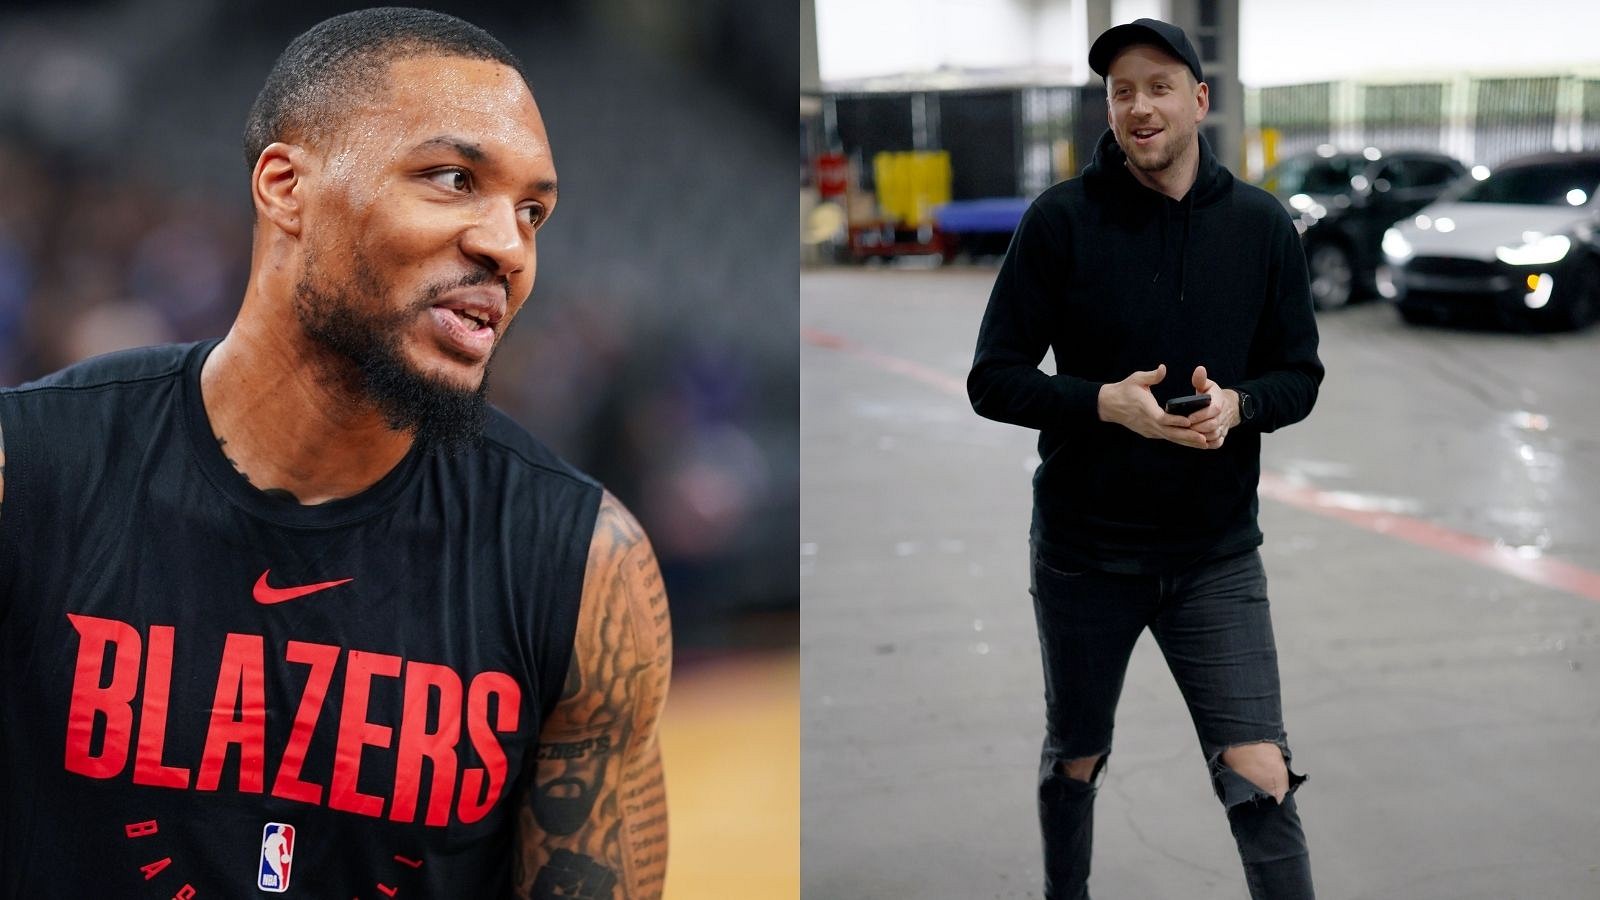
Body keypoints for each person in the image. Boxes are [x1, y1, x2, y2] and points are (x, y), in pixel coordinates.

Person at [0, 8, 669, 898]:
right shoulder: (31, 472)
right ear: (285, 186)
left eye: (532, 211)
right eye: (452, 177)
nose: (508, 247)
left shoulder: (585, 565)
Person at [968, 18, 1323, 900]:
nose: (1139, 105)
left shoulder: (1260, 226)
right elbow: (993, 379)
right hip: (1085, 556)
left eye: (1159, 86)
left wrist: (1242, 406)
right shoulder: (1060, 223)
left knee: (1261, 774)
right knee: (1077, 755)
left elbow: (1300, 375)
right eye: (1121, 90)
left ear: (1200, 100)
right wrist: (1101, 403)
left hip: (1214, 557)